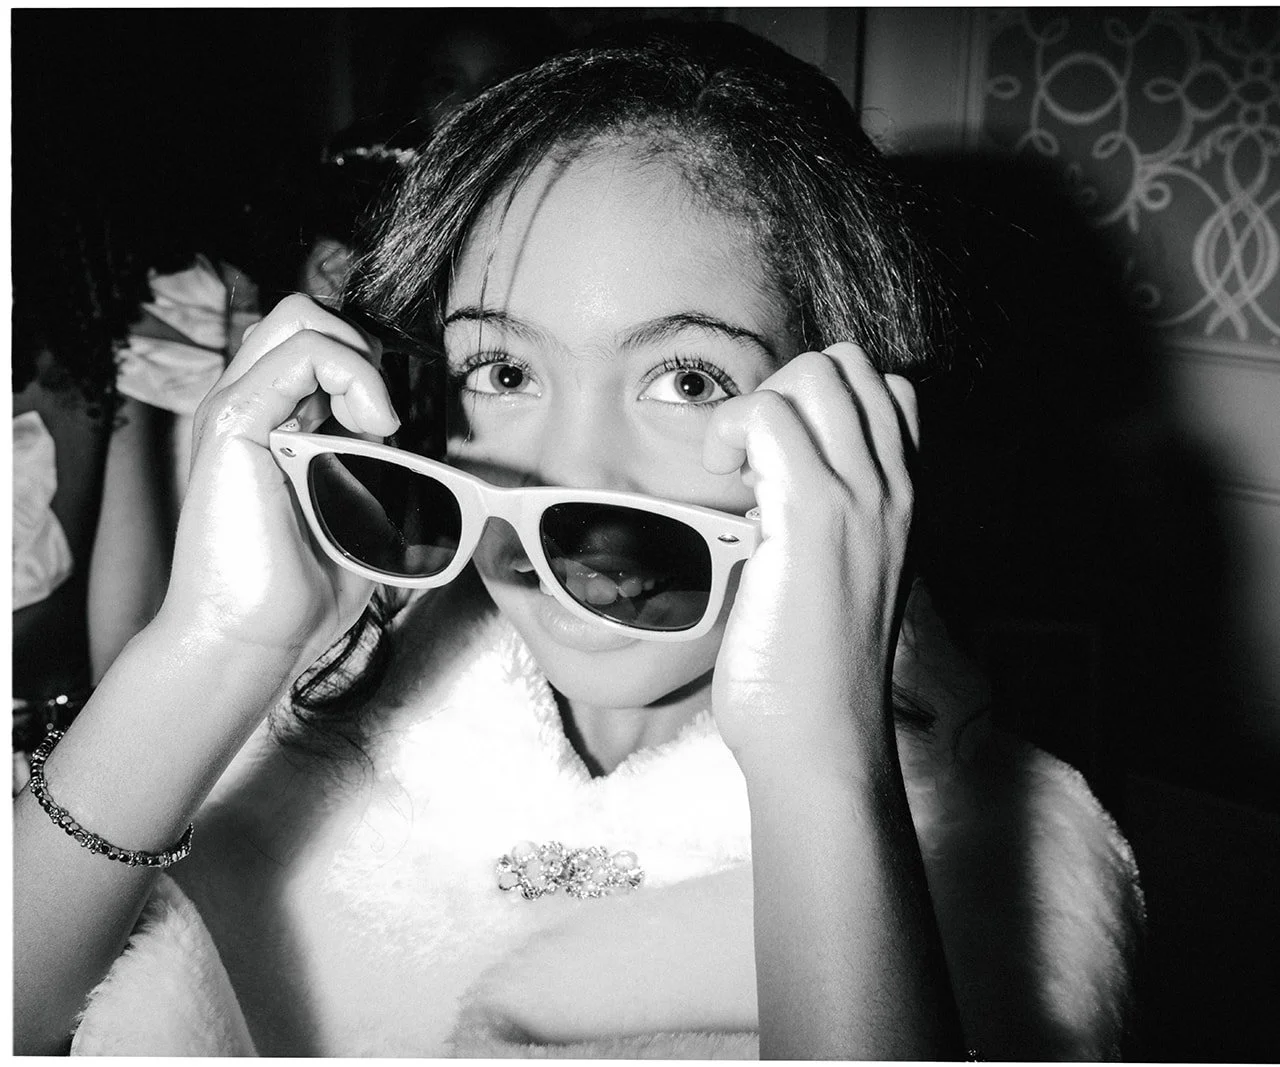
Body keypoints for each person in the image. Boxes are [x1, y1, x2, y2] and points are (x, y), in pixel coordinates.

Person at [13, 23, 1142, 1058]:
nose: (571, 475)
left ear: (846, 423)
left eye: (685, 376)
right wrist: (210, 641)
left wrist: (820, 766)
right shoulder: (297, 722)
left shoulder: (1019, 866)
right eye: (503, 370)